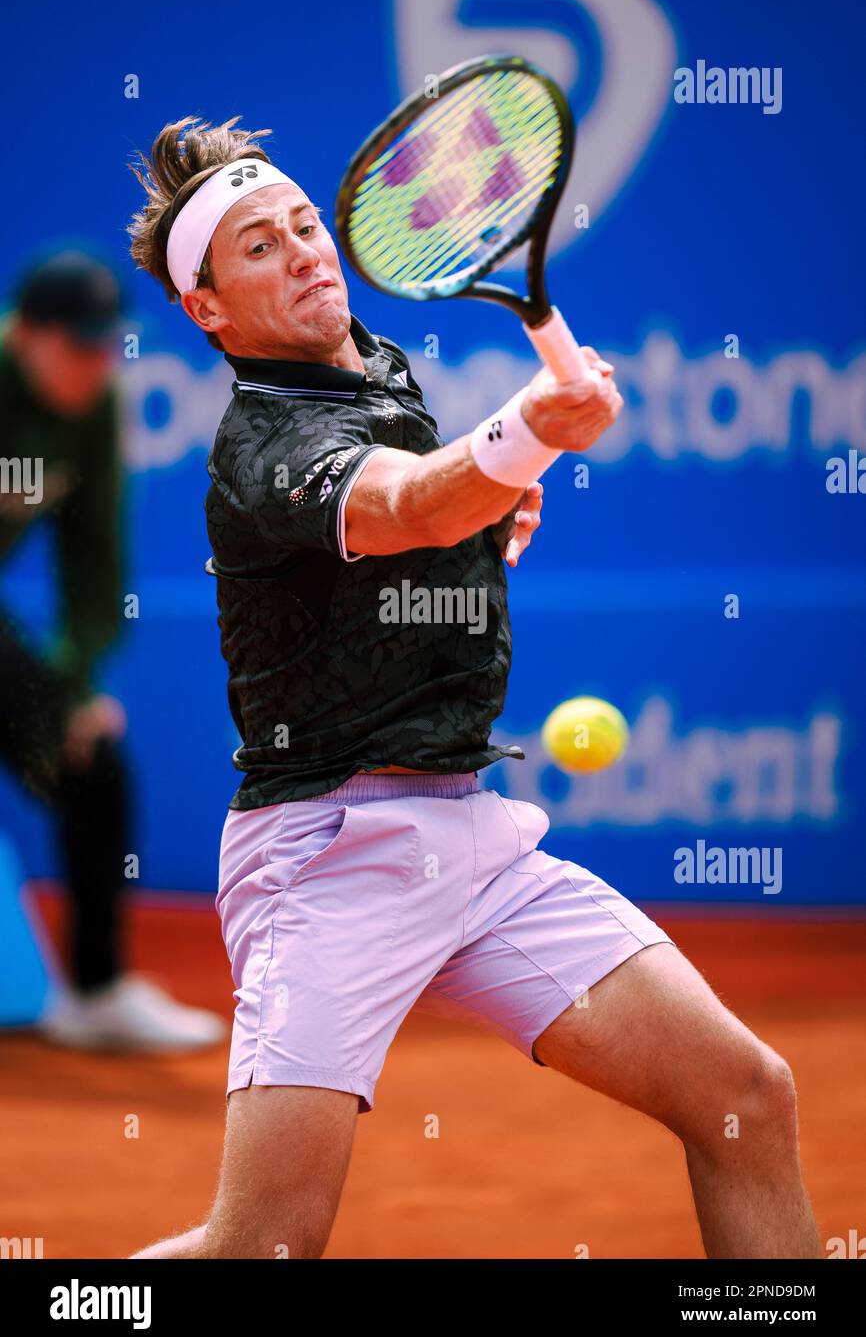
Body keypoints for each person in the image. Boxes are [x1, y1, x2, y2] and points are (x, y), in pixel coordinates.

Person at [126, 117, 820, 1259]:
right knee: (260, 1248)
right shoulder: (259, 447)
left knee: (746, 1099)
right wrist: (520, 439)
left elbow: (430, 512)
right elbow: (407, 506)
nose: (303, 250)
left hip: (474, 841)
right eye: (258, 247)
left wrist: (492, 504)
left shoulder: (378, 368)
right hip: (327, 856)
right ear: (206, 308)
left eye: (305, 224)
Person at [0, 250, 226, 1052]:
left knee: (91, 759)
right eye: (78, 346)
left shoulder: (93, 410)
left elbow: (94, 565)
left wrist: (73, 686)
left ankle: (96, 994)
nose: (96, 365)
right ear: (25, 336)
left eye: (108, 347)